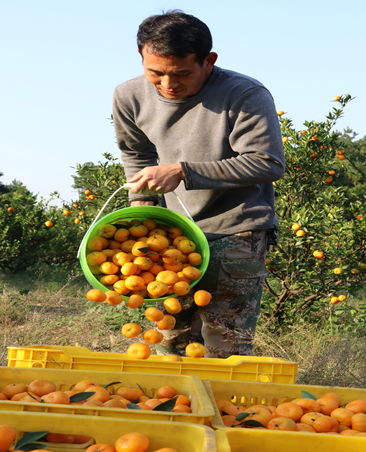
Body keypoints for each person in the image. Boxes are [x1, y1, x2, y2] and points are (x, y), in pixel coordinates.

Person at [112, 10, 285, 358]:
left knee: (224, 345)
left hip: (237, 228)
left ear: (208, 61)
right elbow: (136, 153)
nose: (168, 85)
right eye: (155, 73)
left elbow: (267, 162)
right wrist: (144, 217)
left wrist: (183, 171)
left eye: (181, 74)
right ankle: (174, 411)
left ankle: (224, 409)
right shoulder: (129, 96)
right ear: (141, 56)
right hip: (175, 234)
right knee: (169, 340)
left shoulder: (244, 94)